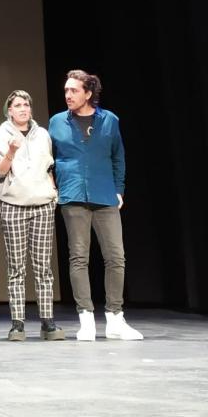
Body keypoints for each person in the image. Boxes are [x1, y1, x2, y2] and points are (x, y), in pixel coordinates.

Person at [48, 70, 142, 341]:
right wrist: (53, 185)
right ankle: (86, 318)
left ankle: (115, 318)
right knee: (79, 257)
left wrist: (119, 189)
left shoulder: (110, 120)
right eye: (66, 90)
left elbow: (118, 157)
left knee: (115, 257)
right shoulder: (56, 122)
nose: (68, 95)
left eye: (73, 90)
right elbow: (48, 157)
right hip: (72, 195)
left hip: (104, 195)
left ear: (88, 93)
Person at [0, 90, 64, 341]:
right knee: (16, 267)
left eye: (26, 105)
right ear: (9, 110)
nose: (23, 109)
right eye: (17, 105)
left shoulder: (42, 134)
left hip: (42, 204)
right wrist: (10, 151)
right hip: (13, 205)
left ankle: (47, 322)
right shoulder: (1, 134)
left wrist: (53, 192)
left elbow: (49, 166)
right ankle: (18, 324)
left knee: (43, 267)